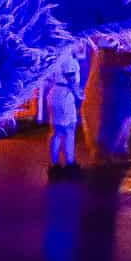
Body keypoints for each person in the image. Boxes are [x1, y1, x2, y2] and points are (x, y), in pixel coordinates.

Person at [46, 45, 84, 176]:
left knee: (57, 131)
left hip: (54, 93)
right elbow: (71, 80)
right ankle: (70, 165)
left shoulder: (59, 53)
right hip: (64, 95)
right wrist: (79, 95)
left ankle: (55, 165)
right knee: (69, 130)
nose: (82, 46)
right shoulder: (68, 57)